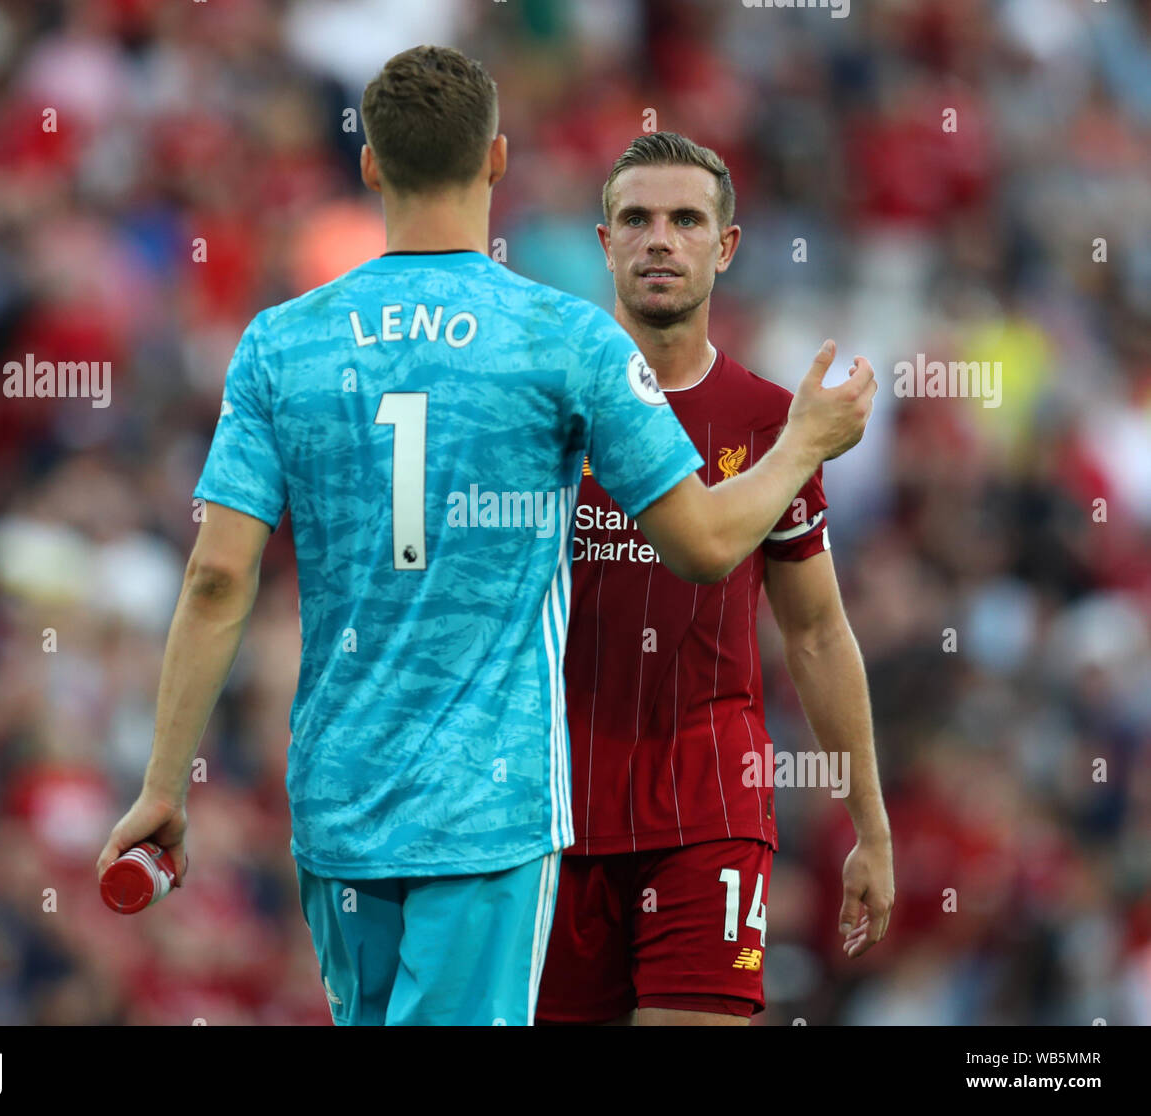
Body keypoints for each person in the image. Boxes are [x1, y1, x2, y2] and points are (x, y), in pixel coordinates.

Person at [96, 51, 876, 1026]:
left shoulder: (278, 343)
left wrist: (164, 785)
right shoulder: (563, 339)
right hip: (488, 809)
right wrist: (804, 437)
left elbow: (217, 578)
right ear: (497, 160)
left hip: (338, 802)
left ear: (372, 166)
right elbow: (705, 545)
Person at [536, 132, 895, 1027]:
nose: (661, 238)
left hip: (710, 813)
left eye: (686, 220)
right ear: (604, 241)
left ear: (724, 246)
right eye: (638, 219)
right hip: (547, 818)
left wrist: (871, 825)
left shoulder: (774, 420)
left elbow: (814, 631)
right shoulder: (541, 410)